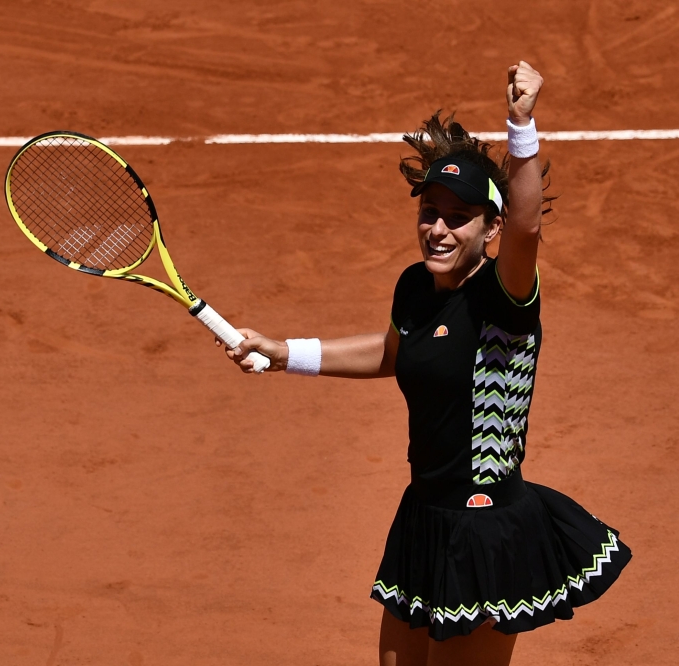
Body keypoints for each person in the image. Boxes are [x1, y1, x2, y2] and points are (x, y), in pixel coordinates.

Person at [218, 62, 631, 666]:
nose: (437, 229)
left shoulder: (505, 296)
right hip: (424, 516)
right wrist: (286, 353)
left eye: (458, 218)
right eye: (429, 212)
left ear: (490, 228)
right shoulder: (415, 287)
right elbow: (394, 353)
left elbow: (527, 227)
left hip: (485, 532)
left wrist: (521, 125)